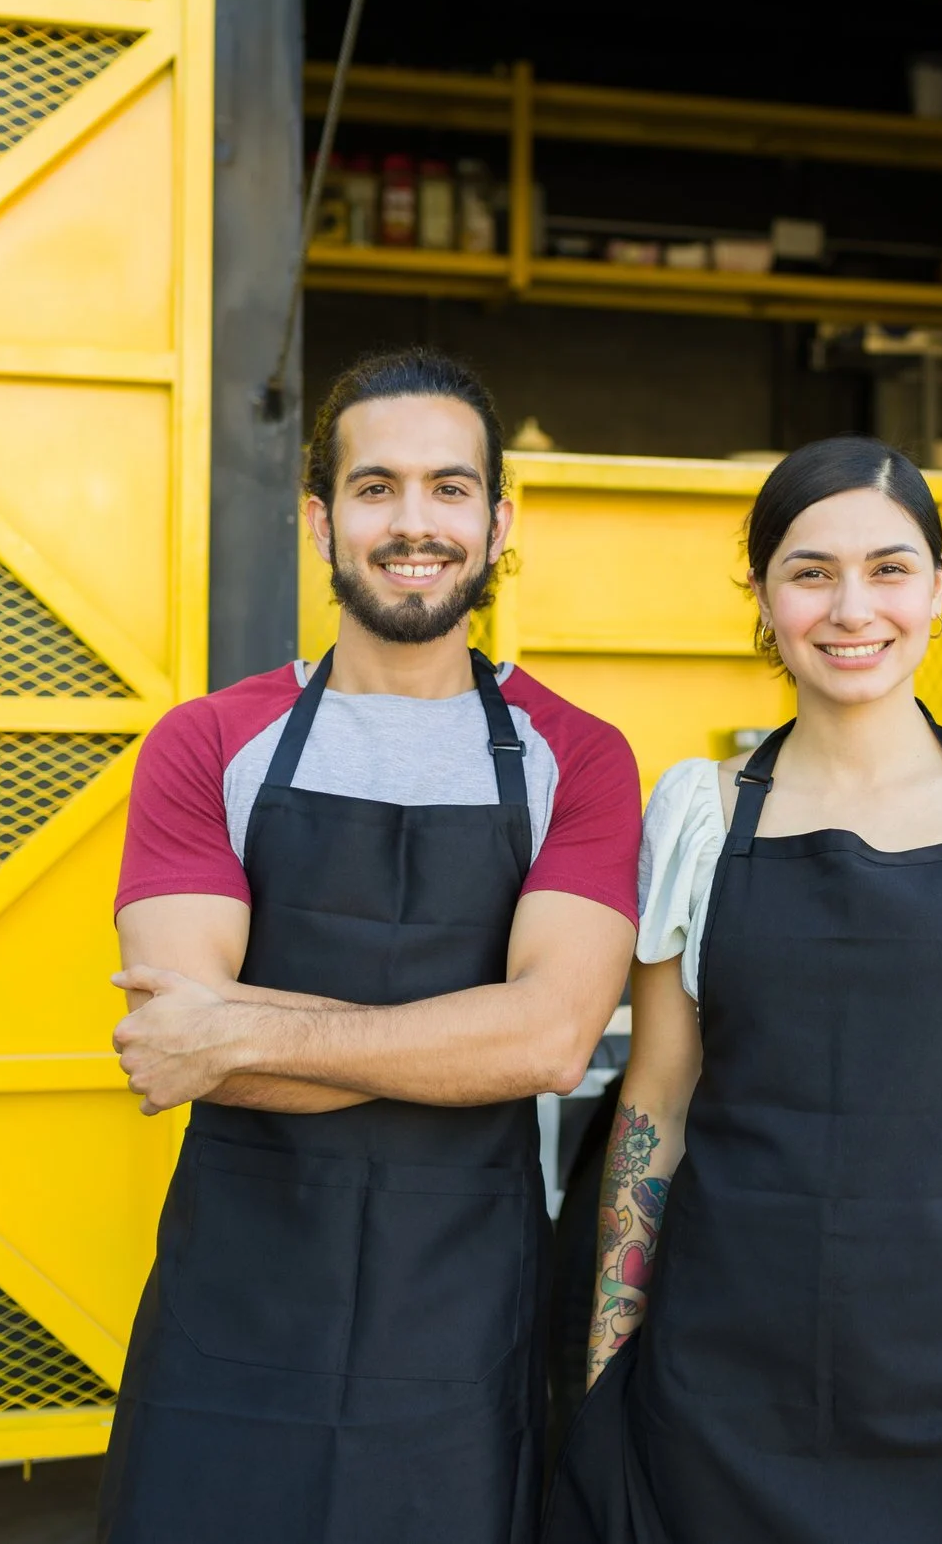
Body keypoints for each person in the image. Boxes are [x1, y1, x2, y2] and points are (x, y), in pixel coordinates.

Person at [544, 437, 942, 1544]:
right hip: (721, 1394)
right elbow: (657, 1102)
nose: (851, 608)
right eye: (810, 571)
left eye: (888, 568)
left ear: (937, 588)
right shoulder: (699, 814)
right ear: (761, 593)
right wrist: (607, 1362)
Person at [95, 347, 642, 1543]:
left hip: (459, 1329)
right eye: (375, 486)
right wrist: (462, 1038)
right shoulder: (208, 742)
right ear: (319, 518)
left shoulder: (579, 757)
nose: (413, 522)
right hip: (232, 1314)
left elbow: (550, 1040)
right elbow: (175, 1040)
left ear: (498, 523)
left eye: (450, 488)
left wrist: (242, 1027)